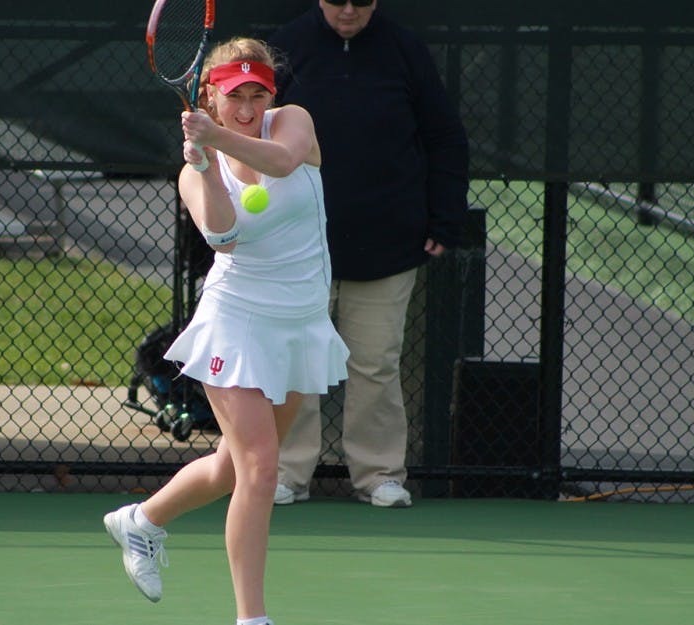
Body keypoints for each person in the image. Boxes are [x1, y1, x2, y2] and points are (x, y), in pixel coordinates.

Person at [103, 37, 349, 625]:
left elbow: (285, 163)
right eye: (233, 94)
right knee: (263, 469)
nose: (247, 105)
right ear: (210, 94)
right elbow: (223, 236)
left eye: (257, 92)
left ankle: (140, 521)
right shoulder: (196, 166)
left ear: (272, 93)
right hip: (236, 322)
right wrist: (206, 165)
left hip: (300, 322)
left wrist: (216, 138)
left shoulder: (293, 123)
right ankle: (252, 619)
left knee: (235, 466)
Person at [268, 1, 470, 508]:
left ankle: (379, 474)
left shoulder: (405, 50)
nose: (349, 9)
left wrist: (445, 217)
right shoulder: (286, 47)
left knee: (376, 362)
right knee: (295, 362)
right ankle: (286, 475)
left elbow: (445, 137)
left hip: (387, 241)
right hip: (298, 246)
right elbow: (254, 134)